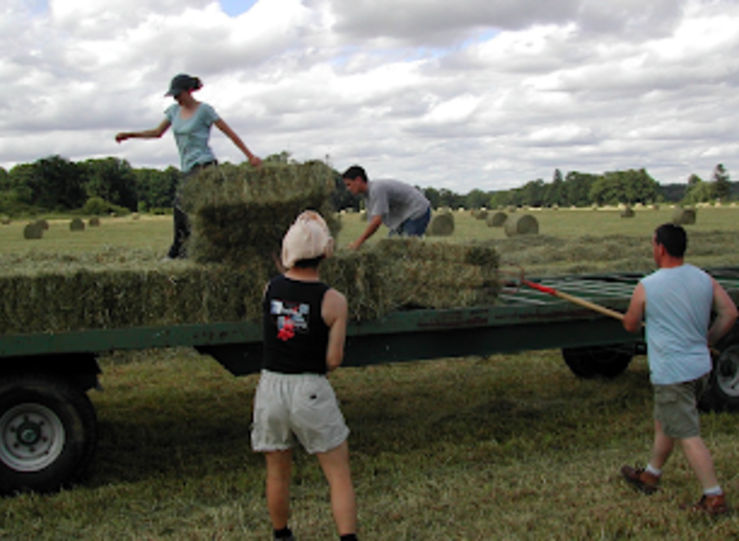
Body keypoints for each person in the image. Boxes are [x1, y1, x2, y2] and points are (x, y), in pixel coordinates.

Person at [251, 211, 358, 541]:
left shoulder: (271, 288)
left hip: (270, 387)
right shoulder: (334, 300)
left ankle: (282, 535)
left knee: (278, 472)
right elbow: (334, 359)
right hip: (309, 388)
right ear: (326, 252)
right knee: (338, 474)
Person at [620, 223, 738, 515]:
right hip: (700, 367)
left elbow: (630, 324)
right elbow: (730, 313)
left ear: (660, 247)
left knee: (687, 433)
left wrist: (635, 317)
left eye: (652, 244)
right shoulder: (703, 278)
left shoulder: (648, 285)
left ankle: (714, 497)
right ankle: (650, 475)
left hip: (673, 372)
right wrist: (707, 339)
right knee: (666, 421)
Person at [115, 73, 262, 258]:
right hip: (186, 168)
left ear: (188, 91)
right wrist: (130, 135)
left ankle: (177, 252)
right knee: (188, 210)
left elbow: (230, 133)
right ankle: (191, 251)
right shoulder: (173, 111)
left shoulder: (205, 110)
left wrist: (250, 156)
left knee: (181, 207)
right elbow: (157, 132)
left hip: (204, 166)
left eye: (178, 94)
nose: (176, 98)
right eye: (173, 95)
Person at [341, 165, 431, 249]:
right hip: (403, 216)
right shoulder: (367, 196)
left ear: (358, 180)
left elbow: (377, 221)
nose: (348, 189)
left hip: (417, 210)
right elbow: (372, 221)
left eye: (349, 184)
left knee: (408, 248)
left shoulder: (376, 189)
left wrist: (358, 242)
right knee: (391, 246)